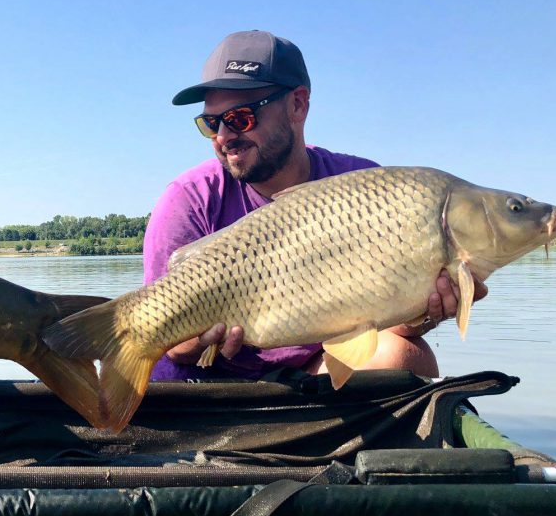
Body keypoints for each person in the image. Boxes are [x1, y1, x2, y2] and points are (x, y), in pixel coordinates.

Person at [144, 30, 487, 382]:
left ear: (297, 104)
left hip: (312, 370)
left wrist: (424, 312)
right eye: (211, 123)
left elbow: (387, 327)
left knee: (405, 356)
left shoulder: (365, 187)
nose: (223, 136)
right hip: (208, 383)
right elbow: (167, 344)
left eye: (240, 118)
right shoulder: (188, 199)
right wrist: (195, 339)